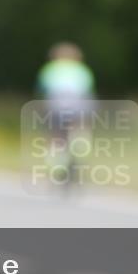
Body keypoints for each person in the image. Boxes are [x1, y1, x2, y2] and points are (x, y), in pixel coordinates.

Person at [35, 43, 96, 188]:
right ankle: (79, 147)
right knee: (79, 128)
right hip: (78, 105)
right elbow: (87, 90)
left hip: (56, 104)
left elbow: (42, 89)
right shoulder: (82, 69)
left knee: (57, 135)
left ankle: (58, 164)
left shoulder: (50, 69)